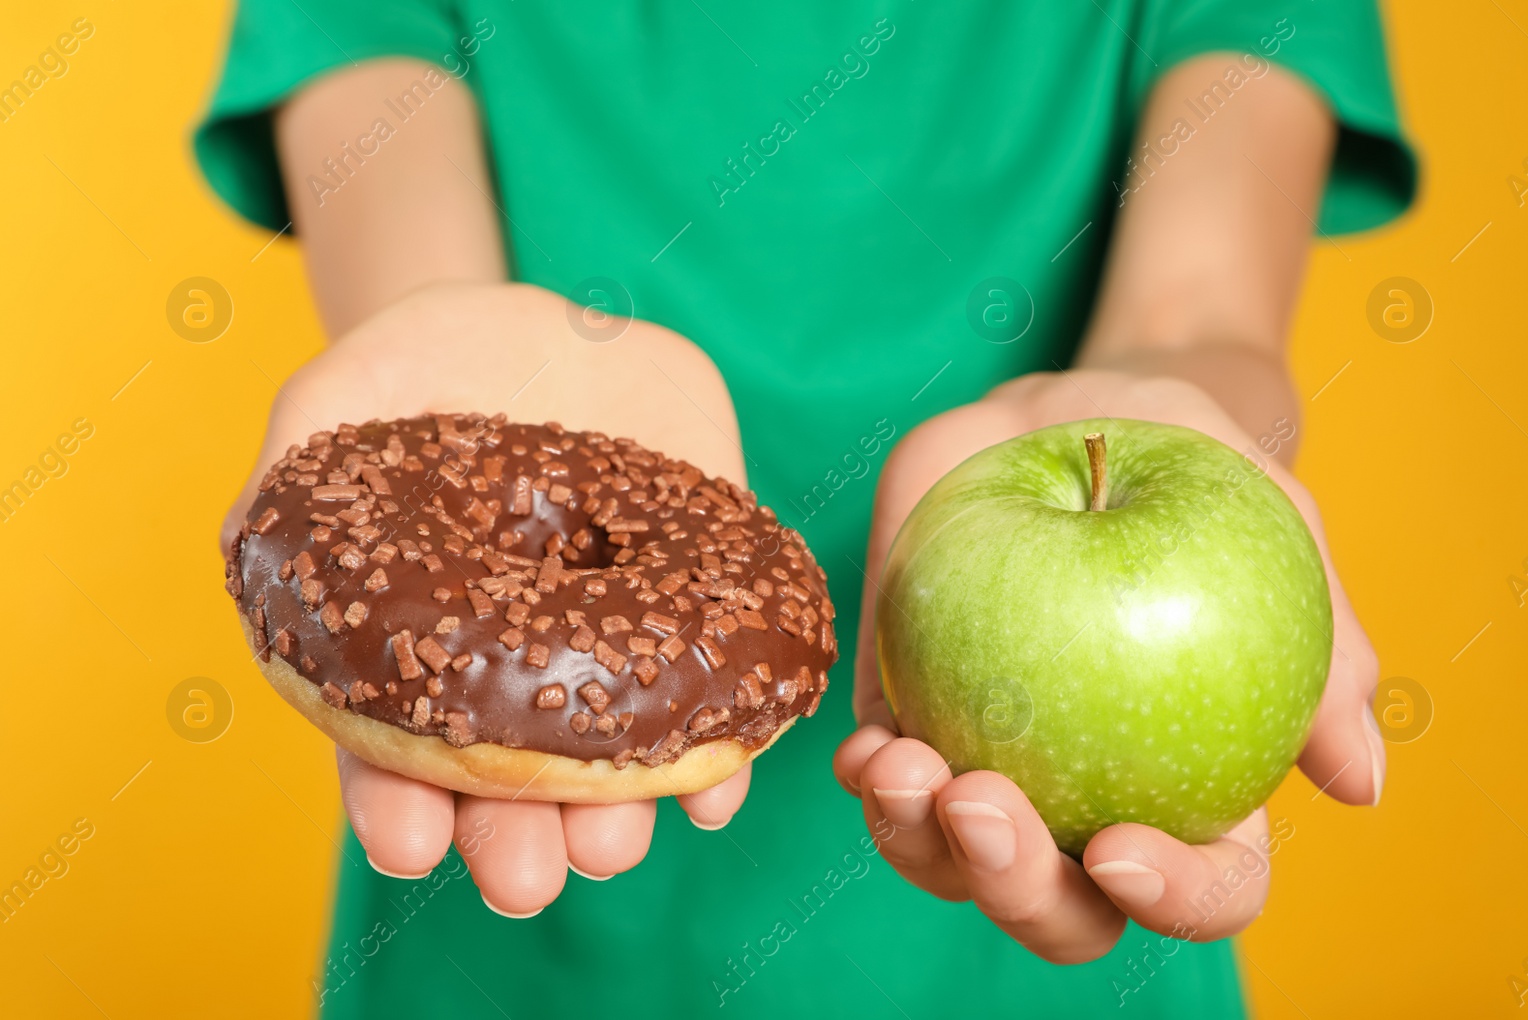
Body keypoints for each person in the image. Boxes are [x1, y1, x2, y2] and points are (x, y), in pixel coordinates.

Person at [196, 1, 1414, 1014]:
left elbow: (1194, 318)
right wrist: (442, 405)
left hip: (1049, 861)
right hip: (508, 942)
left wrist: (1162, 412)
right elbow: (426, 292)